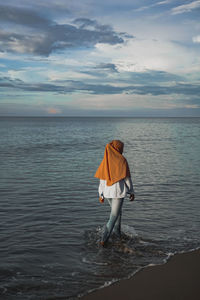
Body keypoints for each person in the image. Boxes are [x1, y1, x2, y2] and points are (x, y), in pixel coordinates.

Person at [94, 140, 135, 246]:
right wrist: (131, 191)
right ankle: (104, 239)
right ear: (118, 148)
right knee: (114, 216)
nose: (123, 150)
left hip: (107, 193)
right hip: (118, 193)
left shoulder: (105, 161)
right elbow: (127, 179)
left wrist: (101, 194)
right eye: (122, 148)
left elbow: (102, 180)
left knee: (118, 214)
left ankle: (118, 235)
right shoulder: (122, 160)